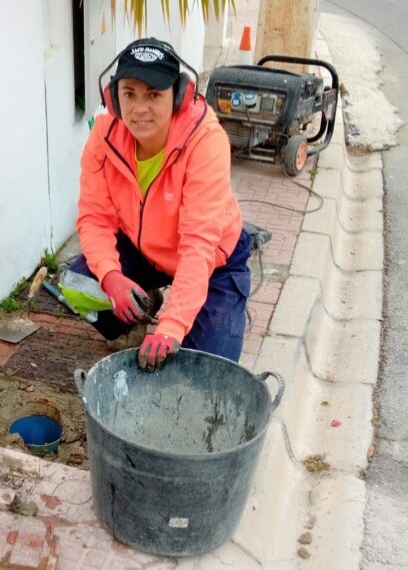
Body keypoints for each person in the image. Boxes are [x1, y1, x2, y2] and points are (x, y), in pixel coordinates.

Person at [68, 37, 251, 371]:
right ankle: (138, 308)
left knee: (206, 370)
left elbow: (199, 245)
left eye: (154, 95)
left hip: (213, 262)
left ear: (179, 96)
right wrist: (110, 276)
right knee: (78, 283)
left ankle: (194, 310)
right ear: (113, 98)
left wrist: (171, 327)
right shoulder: (104, 134)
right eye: (129, 94)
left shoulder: (206, 142)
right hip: (145, 249)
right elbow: (94, 217)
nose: (140, 109)